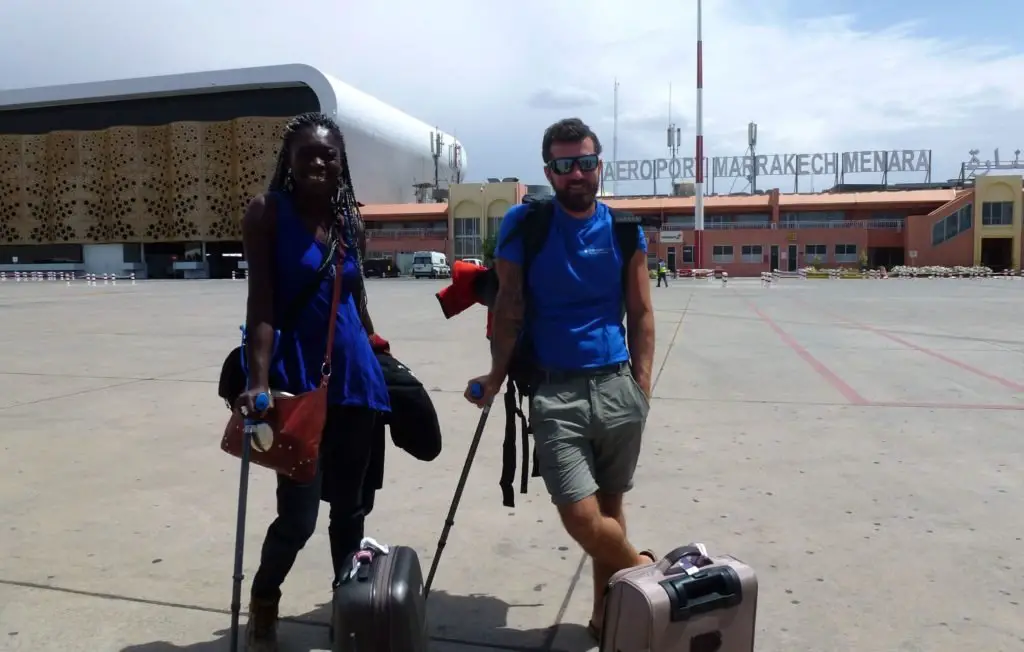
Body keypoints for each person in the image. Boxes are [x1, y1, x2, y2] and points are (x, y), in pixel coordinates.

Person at [464, 117, 656, 639]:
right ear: (549, 171)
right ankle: (648, 572)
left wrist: (642, 388)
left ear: (600, 166)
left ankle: (605, 620)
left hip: (617, 387)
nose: (578, 174)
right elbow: (508, 308)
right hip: (555, 391)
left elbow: (640, 313)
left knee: (611, 508)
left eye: (587, 162)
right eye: (566, 165)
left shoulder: (623, 228)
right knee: (582, 517)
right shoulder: (525, 225)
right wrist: (496, 375)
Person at [235, 112, 391, 651]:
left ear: (340, 161)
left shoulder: (350, 220)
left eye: (329, 153)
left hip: (356, 383)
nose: (320, 162)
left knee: (349, 512)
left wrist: (379, 347)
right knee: (299, 516)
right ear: (290, 161)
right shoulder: (267, 214)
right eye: (309, 153)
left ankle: (347, 615)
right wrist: (257, 381)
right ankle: (264, 597)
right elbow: (262, 304)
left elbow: (357, 298)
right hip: (298, 385)